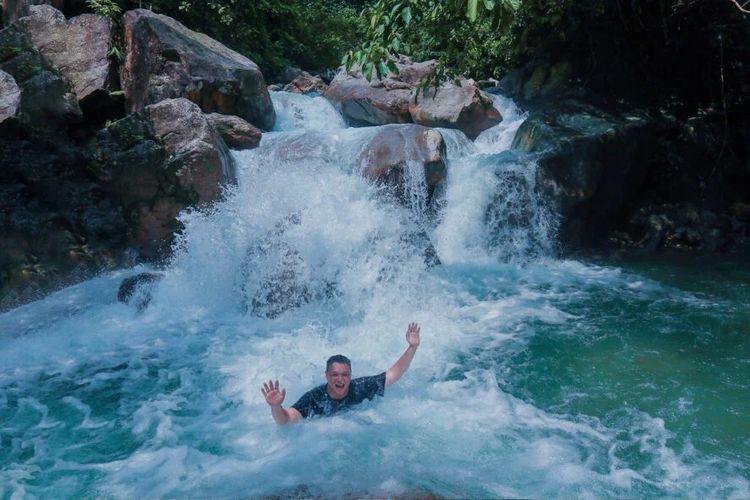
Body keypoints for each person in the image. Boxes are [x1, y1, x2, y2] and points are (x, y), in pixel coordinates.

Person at [261, 322, 421, 425]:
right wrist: (276, 406)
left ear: (350, 376)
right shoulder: (314, 398)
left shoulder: (360, 387)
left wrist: (412, 347)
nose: (340, 379)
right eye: (335, 375)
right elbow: (286, 420)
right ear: (326, 376)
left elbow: (393, 375)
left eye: (345, 375)